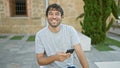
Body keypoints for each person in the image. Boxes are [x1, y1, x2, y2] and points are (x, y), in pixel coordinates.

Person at [35, 3, 89, 68]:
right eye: (51, 14)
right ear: (46, 16)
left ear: (62, 16)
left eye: (57, 14)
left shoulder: (70, 30)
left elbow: (79, 52)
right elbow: (40, 60)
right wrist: (55, 57)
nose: (54, 17)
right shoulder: (40, 35)